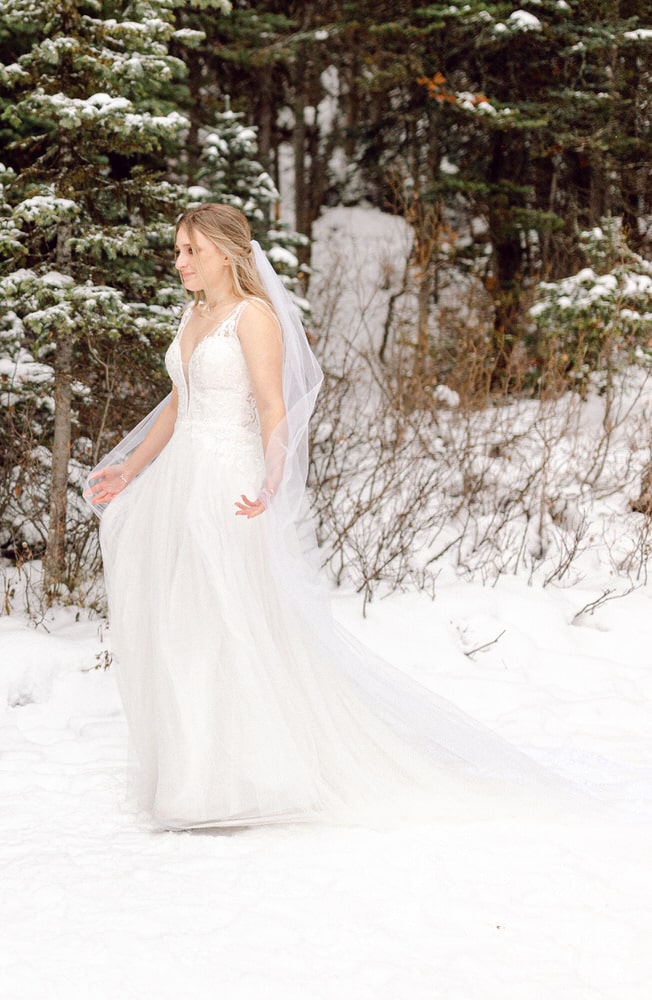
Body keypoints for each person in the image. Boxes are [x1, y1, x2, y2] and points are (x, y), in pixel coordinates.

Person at [86, 203, 548, 830]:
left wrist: (274, 474)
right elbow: (179, 400)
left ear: (224, 251)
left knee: (227, 618)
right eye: (178, 251)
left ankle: (243, 776)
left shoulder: (256, 319)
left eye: (190, 251)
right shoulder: (195, 314)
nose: (180, 262)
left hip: (228, 483)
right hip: (180, 481)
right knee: (182, 621)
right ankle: (194, 775)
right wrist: (131, 467)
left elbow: (275, 406)